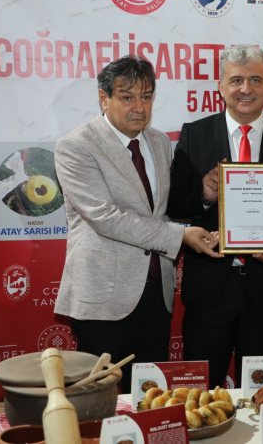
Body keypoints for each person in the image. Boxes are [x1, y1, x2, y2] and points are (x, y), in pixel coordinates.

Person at [54, 56, 221, 392]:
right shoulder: (76, 146)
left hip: (156, 294)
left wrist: (204, 199)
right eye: (127, 97)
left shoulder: (159, 142)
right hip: (104, 296)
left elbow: (161, 210)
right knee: (100, 399)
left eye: (146, 97)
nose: (139, 107)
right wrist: (181, 235)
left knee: (149, 397)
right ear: (104, 98)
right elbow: (105, 217)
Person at [168, 45, 263, 388]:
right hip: (210, 289)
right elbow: (175, 205)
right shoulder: (194, 134)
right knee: (203, 393)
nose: (245, 89)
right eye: (236, 80)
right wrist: (205, 196)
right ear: (221, 87)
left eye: (255, 80)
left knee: (262, 393)